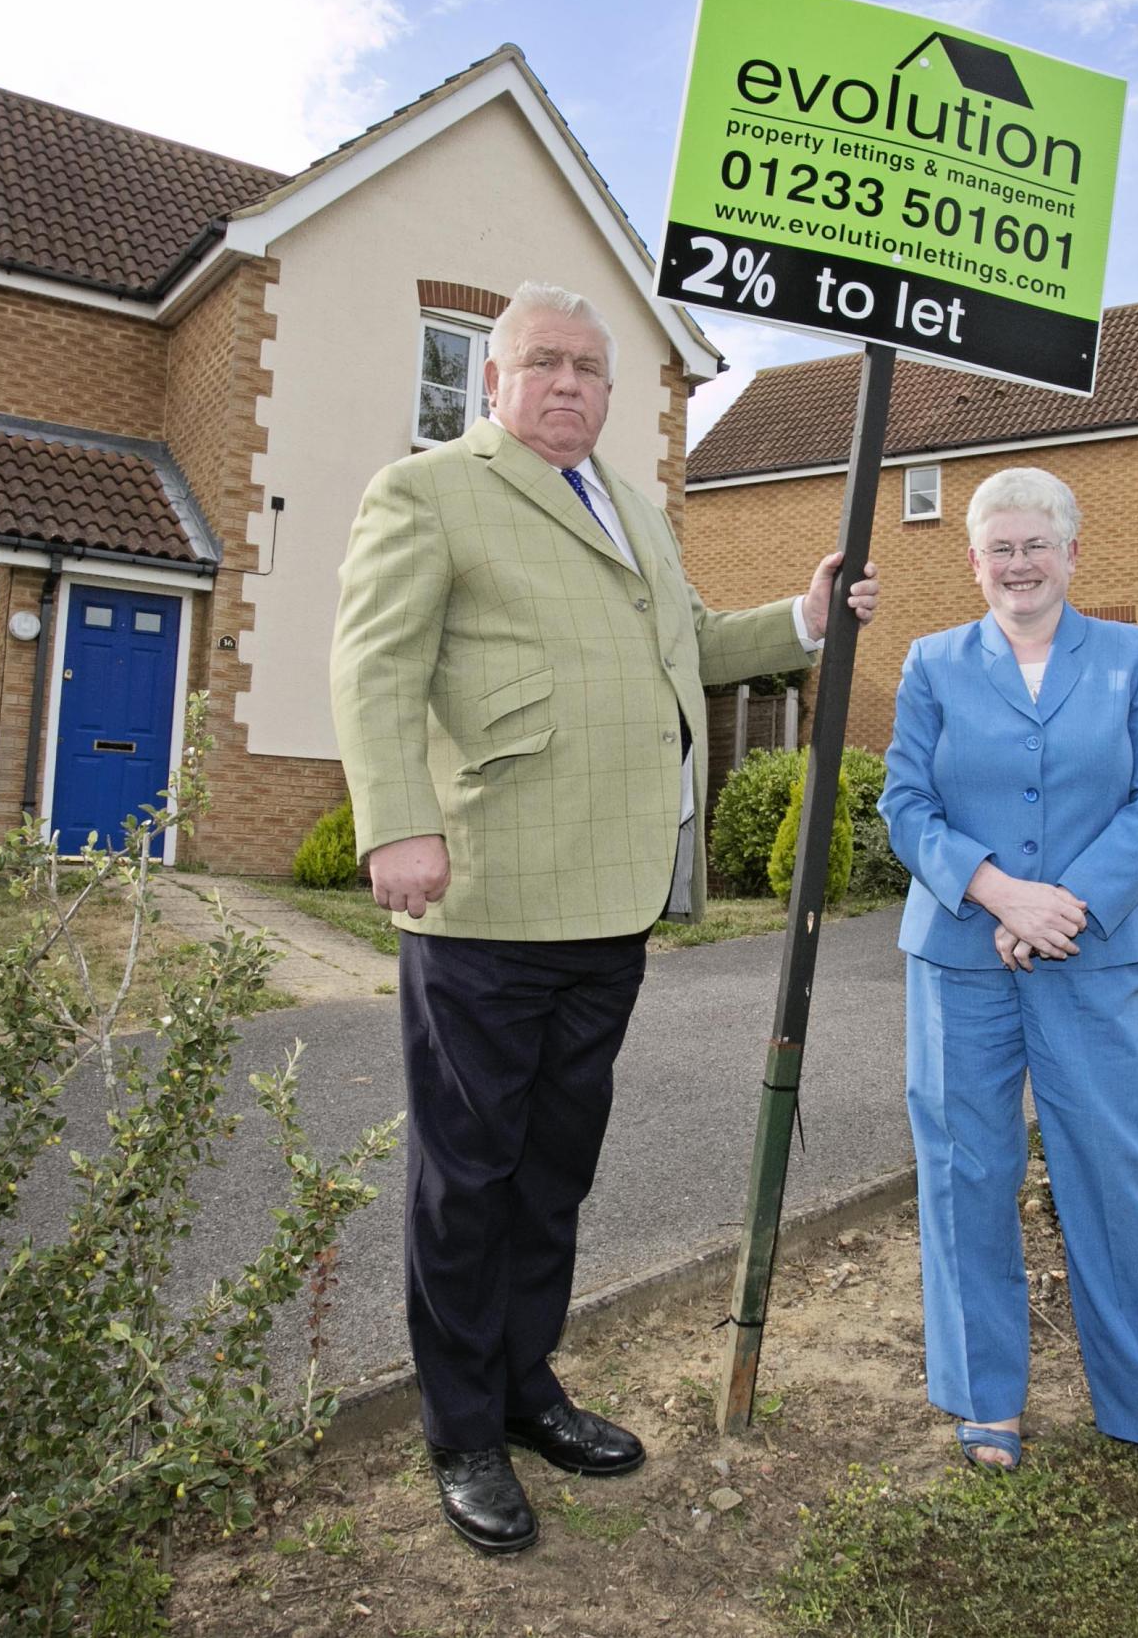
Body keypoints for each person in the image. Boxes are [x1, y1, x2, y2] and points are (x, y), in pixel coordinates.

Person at [330, 281, 879, 1555]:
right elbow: (374, 664)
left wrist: (800, 619)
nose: (569, 383)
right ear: (493, 379)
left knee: (553, 1172)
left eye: (590, 367)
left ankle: (528, 1390)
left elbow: (684, 642)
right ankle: (461, 1427)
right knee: (467, 1180)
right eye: (544, 362)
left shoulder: (631, 504)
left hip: (610, 892)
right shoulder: (426, 491)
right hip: (486, 892)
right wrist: (392, 817)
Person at [877, 466, 1138, 1510]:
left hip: (1090, 955)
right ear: (973, 561)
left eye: (1035, 545)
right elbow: (903, 802)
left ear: (1073, 553)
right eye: (998, 548)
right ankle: (983, 1394)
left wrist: (1065, 906)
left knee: (1117, 1171)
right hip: (960, 958)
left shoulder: (1131, 656)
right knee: (966, 1169)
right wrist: (997, 891)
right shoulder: (932, 663)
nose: (1017, 564)